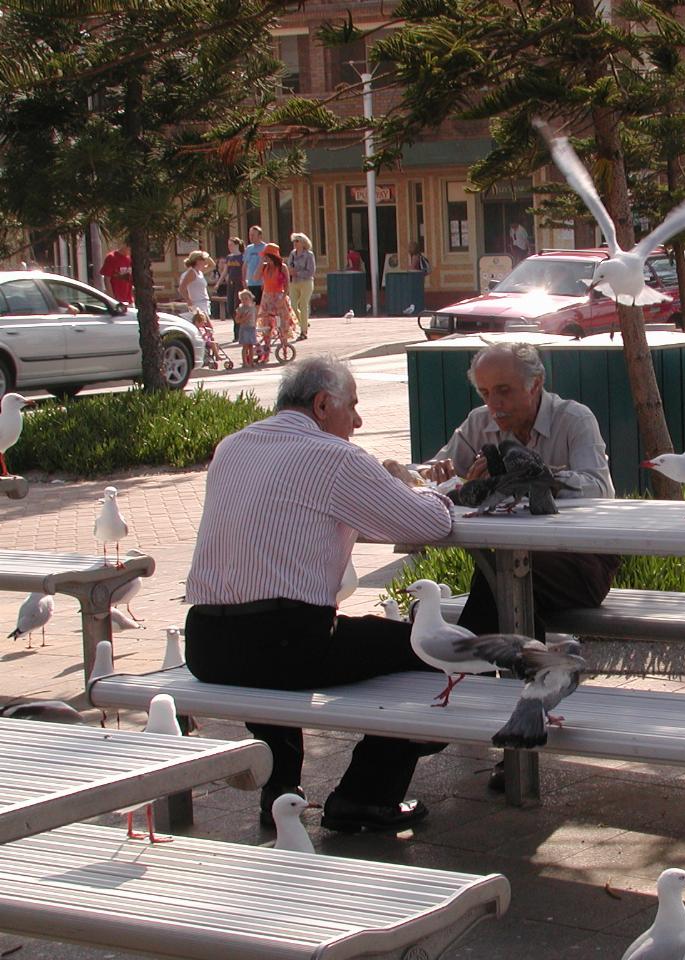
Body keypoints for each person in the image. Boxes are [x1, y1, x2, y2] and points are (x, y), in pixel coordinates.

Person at [184, 355, 454, 833]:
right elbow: (428, 524)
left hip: (206, 643)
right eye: (352, 406)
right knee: (431, 651)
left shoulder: (232, 446)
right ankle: (365, 795)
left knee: (287, 644)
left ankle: (281, 792)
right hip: (286, 644)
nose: (358, 420)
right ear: (323, 403)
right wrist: (424, 487)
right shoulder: (335, 457)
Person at [423, 342, 619, 791]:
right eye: (486, 392)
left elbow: (598, 490)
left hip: (581, 562)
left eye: (505, 391)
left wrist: (533, 476)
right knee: (502, 584)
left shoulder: (574, 419)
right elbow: (441, 469)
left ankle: (457, 692)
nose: (494, 405)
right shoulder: (480, 424)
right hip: (511, 561)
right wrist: (431, 473)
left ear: (537, 384)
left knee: (498, 588)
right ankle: (510, 732)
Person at [256, 242, 296, 355]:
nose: (266, 259)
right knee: (266, 324)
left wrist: (283, 298)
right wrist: (261, 263)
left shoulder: (282, 267)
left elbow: (287, 284)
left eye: (267, 256)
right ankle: (266, 349)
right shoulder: (265, 267)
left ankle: (284, 348)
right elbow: (255, 277)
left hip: (279, 296)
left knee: (282, 324)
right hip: (267, 297)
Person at [287, 233, 316, 341]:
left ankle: (303, 331)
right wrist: (290, 271)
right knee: (293, 305)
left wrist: (297, 273)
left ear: (303, 242)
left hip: (306, 282)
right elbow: (289, 265)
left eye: (297, 241)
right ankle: (304, 322)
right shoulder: (292, 254)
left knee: (303, 304)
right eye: (294, 241)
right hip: (293, 282)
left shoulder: (309, 255)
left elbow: (311, 271)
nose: (295, 243)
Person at [178, 250, 214, 321]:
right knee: (203, 325)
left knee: (205, 326)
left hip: (204, 302)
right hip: (197, 303)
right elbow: (181, 288)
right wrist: (188, 300)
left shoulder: (199, 272)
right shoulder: (192, 272)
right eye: (203, 260)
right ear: (198, 261)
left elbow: (212, 265)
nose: (205, 261)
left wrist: (206, 256)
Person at [220, 237, 245, 331]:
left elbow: (245, 270)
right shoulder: (229, 257)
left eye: (231, 245)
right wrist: (218, 283)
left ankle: (238, 330)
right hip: (231, 284)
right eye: (228, 245)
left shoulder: (242, 256)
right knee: (230, 308)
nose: (229, 247)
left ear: (237, 245)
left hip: (240, 284)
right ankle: (237, 323)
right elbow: (225, 271)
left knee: (237, 306)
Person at [235, 289, 259, 366]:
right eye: (242, 299)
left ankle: (251, 362)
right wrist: (244, 318)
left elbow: (255, 317)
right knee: (245, 346)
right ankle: (245, 362)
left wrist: (255, 324)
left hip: (251, 328)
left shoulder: (253, 308)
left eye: (246, 298)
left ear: (250, 298)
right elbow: (237, 320)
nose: (244, 300)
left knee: (251, 346)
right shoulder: (240, 309)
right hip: (244, 329)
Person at [243, 226, 267, 305]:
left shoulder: (265, 248)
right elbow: (245, 265)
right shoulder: (248, 248)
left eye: (253, 235)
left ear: (260, 236)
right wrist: (244, 280)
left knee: (260, 305)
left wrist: (265, 281)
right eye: (250, 235)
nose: (251, 237)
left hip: (261, 283)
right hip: (250, 282)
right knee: (252, 305)